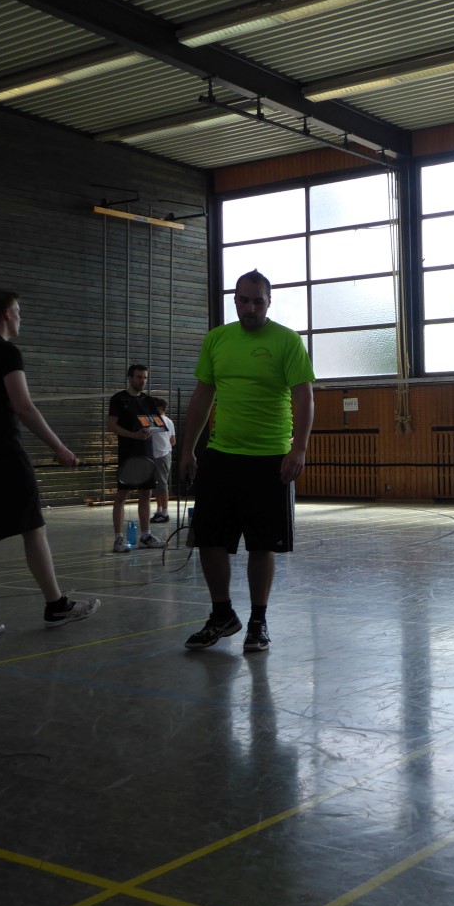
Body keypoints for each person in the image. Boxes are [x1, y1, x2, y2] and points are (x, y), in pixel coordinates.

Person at [0, 288, 99, 640]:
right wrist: (60, 447)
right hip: (2, 454)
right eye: (17, 310)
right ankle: (57, 606)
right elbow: (24, 406)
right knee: (33, 528)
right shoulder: (6, 351)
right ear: (5, 314)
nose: (20, 316)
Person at [179, 270, 314, 653]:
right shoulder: (217, 339)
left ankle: (258, 621)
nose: (250, 307)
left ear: (268, 302)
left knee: (262, 545)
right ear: (235, 300)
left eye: (257, 301)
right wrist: (188, 449)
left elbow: (304, 396)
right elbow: (203, 396)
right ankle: (222, 614)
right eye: (243, 300)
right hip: (221, 456)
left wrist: (299, 448)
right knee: (208, 539)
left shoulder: (287, 341)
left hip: (270, 458)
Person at [108, 364, 162, 552]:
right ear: (130, 378)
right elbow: (112, 425)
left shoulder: (149, 400)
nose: (142, 381)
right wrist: (133, 435)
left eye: (145, 377)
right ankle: (118, 539)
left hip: (146, 453)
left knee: (146, 494)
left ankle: (145, 536)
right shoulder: (118, 399)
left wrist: (150, 430)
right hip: (128, 454)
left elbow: (157, 424)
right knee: (122, 495)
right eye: (139, 377)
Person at [148, 397, 177, 523]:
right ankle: (159, 510)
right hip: (161, 454)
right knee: (157, 484)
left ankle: (165, 512)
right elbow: (173, 441)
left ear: (159, 408)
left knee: (162, 483)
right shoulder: (169, 421)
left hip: (161, 455)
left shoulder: (156, 420)